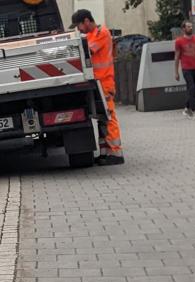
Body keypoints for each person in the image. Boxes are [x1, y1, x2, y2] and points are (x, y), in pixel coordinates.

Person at [71, 9, 125, 166]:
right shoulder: (90, 34)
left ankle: (116, 153)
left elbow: (87, 49)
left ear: (87, 21)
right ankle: (104, 153)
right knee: (102, 119)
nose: (78, 29)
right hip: (97, 82)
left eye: (79, 25)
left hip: (105, 82)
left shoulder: (102, 33)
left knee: (109, 117)